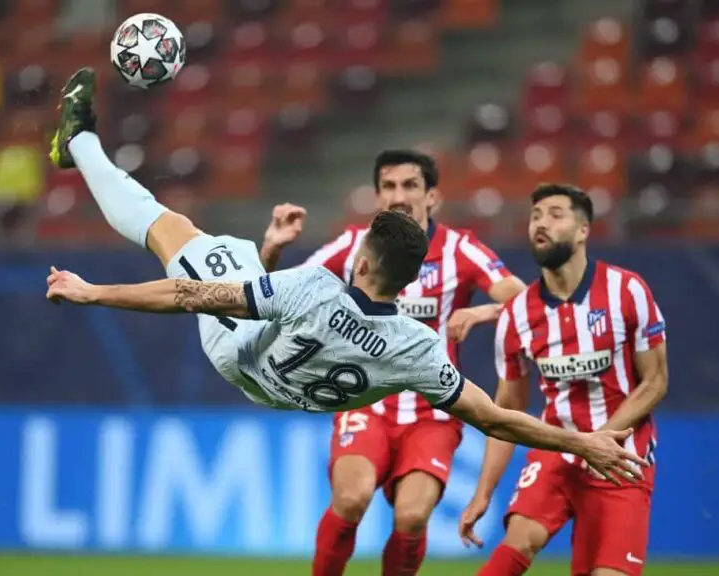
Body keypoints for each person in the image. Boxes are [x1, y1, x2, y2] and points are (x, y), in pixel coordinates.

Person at [43, 67, 647, 502]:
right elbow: (494, 419)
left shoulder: (314, 287)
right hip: (285, 391)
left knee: (172, 232)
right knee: (236, 258)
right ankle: (91, 153)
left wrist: (92, 292)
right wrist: (583, 443)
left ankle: (80, 144)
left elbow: (186, 295)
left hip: (240, 352)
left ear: (359, 261)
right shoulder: (417, 348)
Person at [258, 149, 525, 576]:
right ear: (377, 195)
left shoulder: (461, 250)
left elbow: (528, 303)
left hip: (432, 412)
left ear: (432, 196)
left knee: (412, 516)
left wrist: (482, 312)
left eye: (409, 186)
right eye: (389, 186)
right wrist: (271, 247)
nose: (398, 196)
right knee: (350, 498)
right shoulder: (352, 247)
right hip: (365, 400)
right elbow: (276, 291)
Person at [457, 184, 669, 576]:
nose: (541, 222)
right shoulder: (517, 315)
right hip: (557, 450)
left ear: (583, 230)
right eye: (536, 215)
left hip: (623, 458)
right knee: (517, 541)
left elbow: (655, 382)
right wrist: (483, 492)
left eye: (555, 214)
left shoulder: (628, 291)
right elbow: (506, 409)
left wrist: (600, 440)